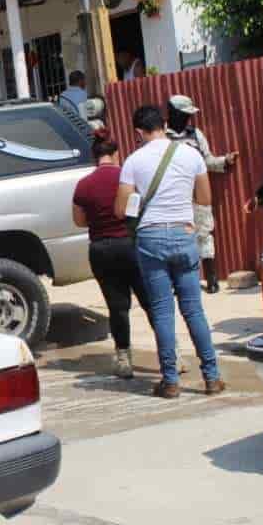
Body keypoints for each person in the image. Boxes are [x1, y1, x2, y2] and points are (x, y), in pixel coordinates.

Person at [115, 105, 225, 399]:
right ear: (164, 124)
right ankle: (212, 377)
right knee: (193, 310)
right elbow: (204, 197)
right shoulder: (191, 154)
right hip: (183, 233)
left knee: (163, 312)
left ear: (138, 132)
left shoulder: (133, 161)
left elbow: (120, 208)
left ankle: (171, 381)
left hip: (150, 238)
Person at [73, 130, 153, 379]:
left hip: (101, 250)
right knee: (151, 302)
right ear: (116, 154)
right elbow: (138, 210)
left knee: (117, 307)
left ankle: (123, 359)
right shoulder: (126, 178)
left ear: (94, 156)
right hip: (130, 245)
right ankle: (170, 355)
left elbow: (79, 221)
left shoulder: (83, 184)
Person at [165, 94, 239, 293]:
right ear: (175, 114)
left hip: (197, 192)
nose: (188, 118)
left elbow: (207, 160)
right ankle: (179, 282)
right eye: (185, 114)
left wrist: (225, 161)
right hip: (172, 197)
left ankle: (212, 279)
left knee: (204, 234)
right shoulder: (162, 136)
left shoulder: (196, 134)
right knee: (175, 237)